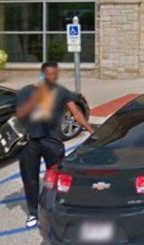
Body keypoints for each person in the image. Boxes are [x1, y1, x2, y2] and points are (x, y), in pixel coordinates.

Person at [15, 61, 94, 228]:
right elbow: (21, 113)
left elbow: (76, 113)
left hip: (52, 141)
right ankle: (33, 213)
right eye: (50, 74)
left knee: (59, 176)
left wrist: (91, 130)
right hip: (29, 142)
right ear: (42, 75)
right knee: (30, 179)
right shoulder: (26, 91)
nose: (53, 77)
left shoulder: (62, 92)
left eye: (55, 74)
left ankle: (60, 208)